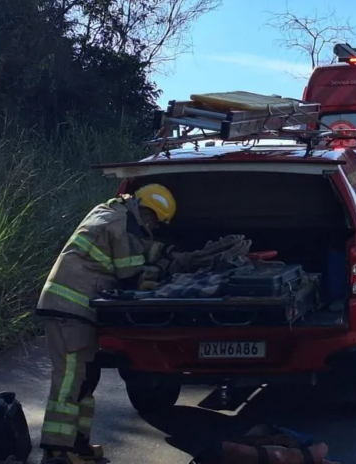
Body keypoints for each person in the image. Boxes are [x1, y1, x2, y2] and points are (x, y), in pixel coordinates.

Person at [36, 184, 223, 463]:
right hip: (70, 310)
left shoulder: (112, 212)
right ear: (146, 210)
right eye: (153, 221)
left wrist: (169, 254)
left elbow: (138, 248)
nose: (152, 226)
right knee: (70, 381)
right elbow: (129, 275)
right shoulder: (121, 223)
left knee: (86, 379)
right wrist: (161, 271)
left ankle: (78, 446)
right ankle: (56, 451)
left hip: (76, 309)